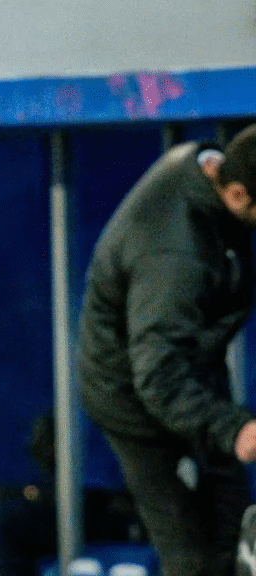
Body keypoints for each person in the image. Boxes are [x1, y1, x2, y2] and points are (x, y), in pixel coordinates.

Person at [78, 125, 256, 576]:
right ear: (236, 194)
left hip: (187, 370)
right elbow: (158, 375)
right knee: (190, 549)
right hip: (134, 397)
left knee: (232, 521)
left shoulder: (208, 167)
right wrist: (233, 428)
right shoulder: (175, 255)